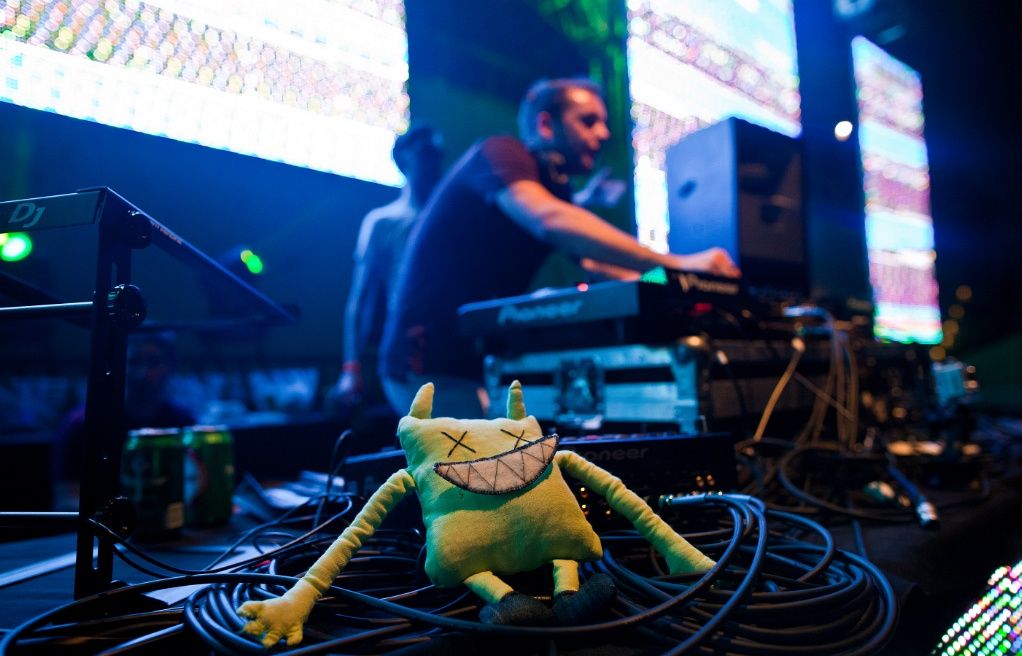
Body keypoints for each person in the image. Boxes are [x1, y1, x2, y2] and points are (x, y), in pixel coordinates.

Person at [378, 77, 739, 419]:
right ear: (546, 125)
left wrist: (672, 282)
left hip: (472, 362)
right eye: (588, 121)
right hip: (424, 364)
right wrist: (677, 263)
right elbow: (548, 219)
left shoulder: (555, 189)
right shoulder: (502, 152)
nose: (604, 133)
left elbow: (598, 266)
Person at [328, 121, 446, 416]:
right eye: (425, 153)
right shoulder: (382, 222)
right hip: (405, 351)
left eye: (437, 154)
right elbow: (359, 302)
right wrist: (351, 368)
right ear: (404, 159)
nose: (433, 162)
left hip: (448, 347)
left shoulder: (447, 219)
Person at [51, 332, 196, 511]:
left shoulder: (183, 422)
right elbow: (66, 500)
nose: (142, 373)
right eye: (133, 362)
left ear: (170, 367)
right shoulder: (82, 424)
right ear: (115, 366)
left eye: (153, 362)